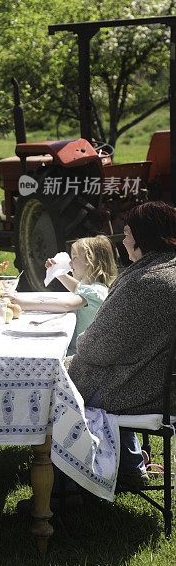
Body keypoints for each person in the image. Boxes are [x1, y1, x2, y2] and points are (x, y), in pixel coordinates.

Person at [68, 201, 176, 490]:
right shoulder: (167, 270)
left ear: (143, 236)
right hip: (157, 383)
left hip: (142, 389)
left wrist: (78, 347)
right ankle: (129, 469)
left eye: (127, 233)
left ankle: (68, 485)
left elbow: (96, 348)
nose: (124, 240)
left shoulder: (148, 282)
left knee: (58, 385)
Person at [11, 235, 117, 354]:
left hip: (79, 354)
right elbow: (76, 287)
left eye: (75, 258)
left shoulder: (95, 291)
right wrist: (57, 271)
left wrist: (24, 304)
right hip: (81, 350)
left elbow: (66, 305)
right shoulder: (95, 288)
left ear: (89, 260)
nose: (71, 264)